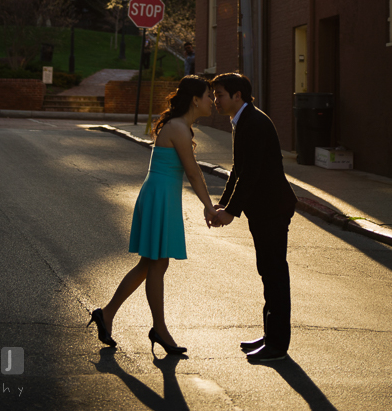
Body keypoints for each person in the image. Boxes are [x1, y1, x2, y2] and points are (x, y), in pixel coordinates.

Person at [88, 76, 217, 355]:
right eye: (209, 95)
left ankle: (107, 313)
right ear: (195, 99)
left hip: (161, 196)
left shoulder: (181, 127)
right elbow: (194, 173)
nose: (213, 101)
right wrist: (209, 206)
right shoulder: (179, 128)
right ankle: (159, 329)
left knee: (149, 264)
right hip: (160, 198)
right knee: (156, 265)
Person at [210, 72, 297, 363]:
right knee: (267, 272)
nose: (215, 100)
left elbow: (251, 173)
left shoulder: (255, 123)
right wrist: (221, 205)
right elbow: (238, 168)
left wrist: (230, 212)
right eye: (214, 95)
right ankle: (270, 336)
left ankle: (277, 346)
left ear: (238, 96)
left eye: (220, 95)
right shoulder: (242, 121)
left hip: (272, 209)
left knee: (274, 275)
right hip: (263, 209)